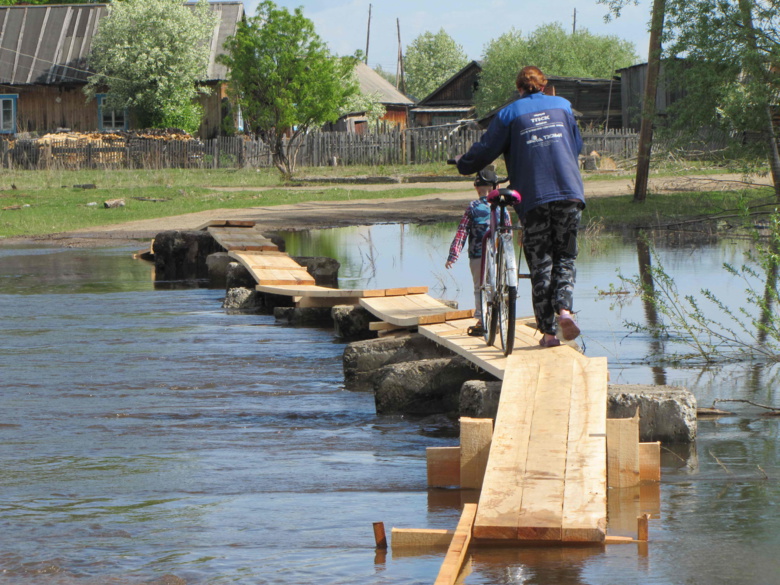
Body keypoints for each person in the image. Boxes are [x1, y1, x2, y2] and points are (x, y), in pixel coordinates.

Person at [455, 65, 585, 347]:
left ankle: (549, 334)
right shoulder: (563, 106)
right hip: (569, 193)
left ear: (519, 88)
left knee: (541, 262)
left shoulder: (509, 113)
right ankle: (565, 310)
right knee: (565, 256)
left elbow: (486, 149)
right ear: (542, 85)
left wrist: (463, 164)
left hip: (534, 196)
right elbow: (576, 146)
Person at [445, 168, 504, 337]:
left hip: (478, 254)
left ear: (476, 188)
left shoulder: (472, 207)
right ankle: (500, 314)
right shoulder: (501, 206)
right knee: (497, 285)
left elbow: (462, 232)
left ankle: (481, 319)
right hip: (499, 253)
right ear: (496, 187)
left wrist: (453, 255)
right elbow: (507, 230)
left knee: (480, 287)